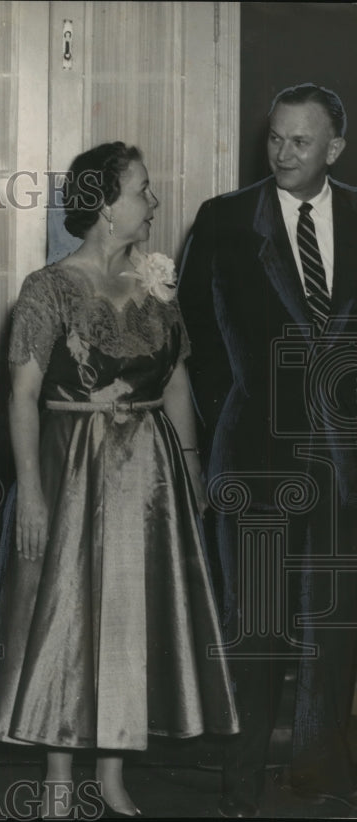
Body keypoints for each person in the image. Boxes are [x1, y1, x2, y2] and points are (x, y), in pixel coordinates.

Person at [0, 142, 239, 818]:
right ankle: (59, 777)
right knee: (66, 613)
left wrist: (191, 462)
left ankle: (112, 774)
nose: (152, 203)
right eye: (142, 191)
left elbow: (176, 380)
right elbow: (20, 396)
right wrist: (29, 490)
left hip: (148, 473)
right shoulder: (48, 288)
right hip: (72, 466)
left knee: (132, 612)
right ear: (106, 206)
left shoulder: (154, 282)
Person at [178, 83, 357, 819]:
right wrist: (236, 412)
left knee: (335, 628)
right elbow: (193, 334)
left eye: (301, 142)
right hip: (254, 460)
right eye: (275, 139)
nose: (283, 153)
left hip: (345, 466)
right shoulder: (223, 222)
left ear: (334, 149)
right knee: (253, 629)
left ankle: (317, 772)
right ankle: (240, 785)